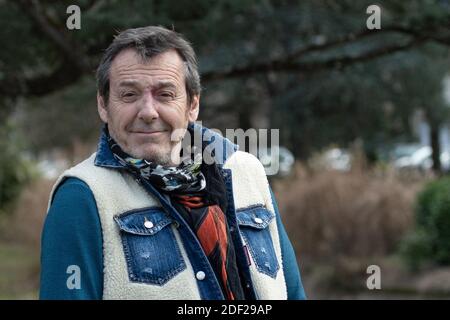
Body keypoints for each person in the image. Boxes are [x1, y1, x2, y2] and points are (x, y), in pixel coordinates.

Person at [39, 26, 306, 300]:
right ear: (103, 105)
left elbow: (293, 291)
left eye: (165, 94)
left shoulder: (247, 173)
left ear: (193, 105)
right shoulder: (81, 198)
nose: (148, 112)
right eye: (129, 95)